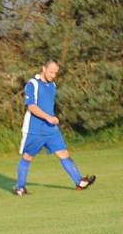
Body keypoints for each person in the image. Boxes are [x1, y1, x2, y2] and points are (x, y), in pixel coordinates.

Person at [14, 60, 95, 195]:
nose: (53, 75)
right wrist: (47, 117)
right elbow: (31, 106)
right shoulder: (32, 84)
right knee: (27, 157)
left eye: (55, 73)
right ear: (43, 69)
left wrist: (51, 119)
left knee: (63, 153)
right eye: (51, 72)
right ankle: (20, 187)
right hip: (35, 130)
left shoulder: (52, 85)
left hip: (51, 129)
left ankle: (79, 181)